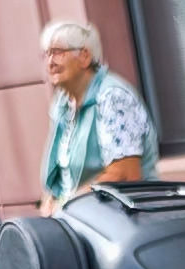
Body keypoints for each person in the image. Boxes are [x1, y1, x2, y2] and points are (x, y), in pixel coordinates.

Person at [38, 14, 154, 209]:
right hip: (82, 213)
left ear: (84, 56)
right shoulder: (62, 103)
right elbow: (61, 174)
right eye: (46, 54)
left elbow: (126, 175)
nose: (50, 62)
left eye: (58, 52)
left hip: (123, 214)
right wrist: (49, 202)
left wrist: (67, 206)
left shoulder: (112, 97)